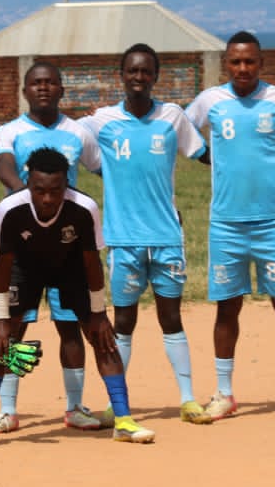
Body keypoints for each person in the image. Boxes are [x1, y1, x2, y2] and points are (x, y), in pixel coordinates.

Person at [0, 148, 155, 448]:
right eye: (40, 191)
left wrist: (100, 314)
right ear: (28, 183)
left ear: (67, 184)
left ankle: (124, 421)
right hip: (24, 271)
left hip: (71, 269)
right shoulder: (10, 209)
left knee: (102, 336)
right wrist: (0, 320)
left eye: (56, 190)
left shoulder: (84, 208)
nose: (48, 199)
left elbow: (92, 264)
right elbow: (2, 267)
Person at [78, 43, 213, 425]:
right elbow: (73, 142)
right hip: (123, 241)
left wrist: (239, 161)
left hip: (167, 237)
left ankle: (188, 400)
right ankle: (116, 402)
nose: (139, 78)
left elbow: (202, 153)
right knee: (123, 322)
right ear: (121, 75)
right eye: (132, 71)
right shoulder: (100, 121)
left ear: (155, 76)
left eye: (146, 72)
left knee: (171, 317)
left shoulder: (173, 117)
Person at [185, 31, 275, 420]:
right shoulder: (211, 100)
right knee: (227, 309)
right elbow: (176, 127)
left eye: (250, 62)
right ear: (227, 63)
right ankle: (224, 393)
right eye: (236, 62)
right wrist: (209, 156)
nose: (243, 68)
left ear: (261, 63)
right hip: (225, 225)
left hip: (271, 224)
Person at [0, 61, 107, 432]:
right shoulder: (9, 131)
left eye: (51, 83)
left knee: (69, 327)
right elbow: (4, 166)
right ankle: (7, 408)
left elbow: (104, 168)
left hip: (67, 245)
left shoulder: (78, 132)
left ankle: (74, 407)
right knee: (15, 326)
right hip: (26, 244)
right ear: (25, 91)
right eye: (36, 83)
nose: (43, 88)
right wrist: (23, 195)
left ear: (61, 90)